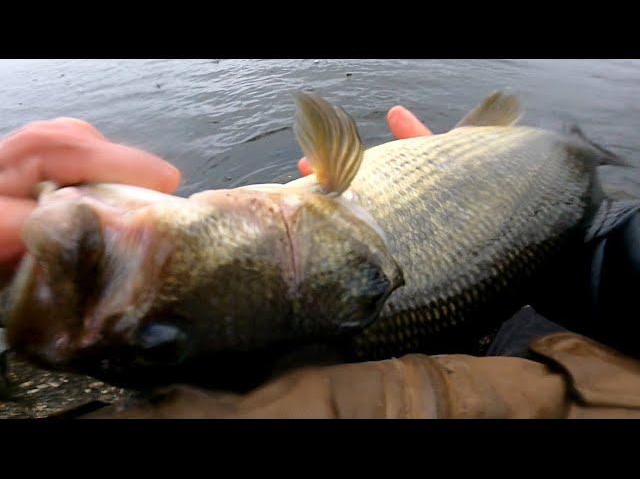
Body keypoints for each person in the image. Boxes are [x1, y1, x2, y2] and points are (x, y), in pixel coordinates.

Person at [2, 106, 640, 419]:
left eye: (159, 335)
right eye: (160, 334)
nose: (150, 320)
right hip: (555, 223)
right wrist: (596, 249)